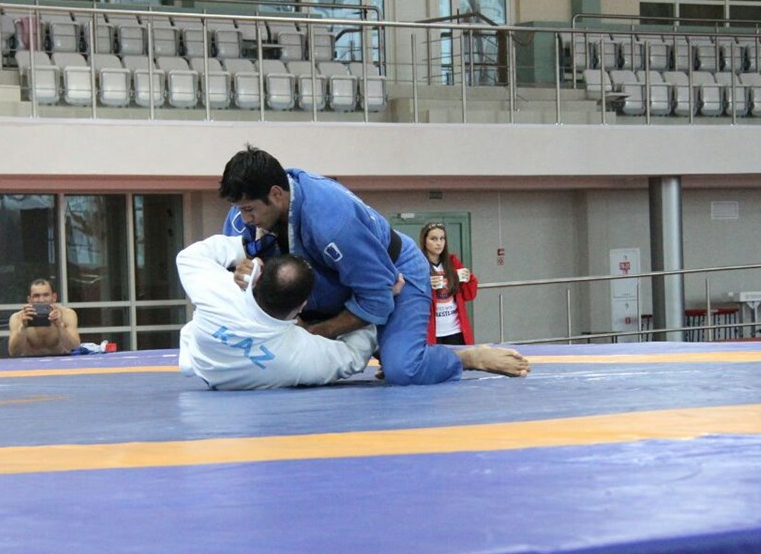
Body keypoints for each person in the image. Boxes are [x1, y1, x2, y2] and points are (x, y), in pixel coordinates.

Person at [219, 146, 529, 385]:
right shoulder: (243, 216)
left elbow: (379, 296)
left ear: (276, 194)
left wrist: (316, 332)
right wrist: (244, 276)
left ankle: (464, 358)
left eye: (249, 210)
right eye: (240, 209)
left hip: (396, 275)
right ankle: (388, 345)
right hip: (333, 287)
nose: (244, 219)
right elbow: (235, 276)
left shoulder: (332, 222)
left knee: (403, 369)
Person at [177, 233, 377, 389]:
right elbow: (354, 355)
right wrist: (368, 305)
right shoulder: (299, 356)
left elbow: (187, 256)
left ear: (257, 278)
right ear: (302, 306)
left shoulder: (222, 294)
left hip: (203, 363)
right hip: (227, 369)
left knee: (192, 337)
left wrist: (242, 253)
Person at [420, 222, 478, 346]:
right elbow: (410, 294)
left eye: (442, 238)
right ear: (424, 241)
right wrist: (426, 284)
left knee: (459, 358)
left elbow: (469, 295)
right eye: (433, 239)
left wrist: (469, 278)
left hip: (455, 330)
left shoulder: (453, 262)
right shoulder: (418, 264)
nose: (439, 243)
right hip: (431, 331)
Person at [8, 278, 80, 357]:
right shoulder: (17, 318)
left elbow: (75, 349)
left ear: (54, 297)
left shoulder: (67, 314)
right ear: (29, 299)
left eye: (46, 295)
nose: (41, 300)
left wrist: (60, 325)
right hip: (30, 361)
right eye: (36, 296)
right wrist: (23, 327)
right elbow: (13, 353)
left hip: (60, 360)